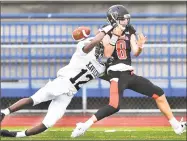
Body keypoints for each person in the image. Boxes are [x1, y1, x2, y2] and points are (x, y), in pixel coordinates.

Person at [71, 5, 187, 138]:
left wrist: (141, 46)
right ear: (114, 19)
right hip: (116, 74)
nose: (126, 21)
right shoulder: (106, 30)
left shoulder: (129, 30)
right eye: (123, 19)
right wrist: (115, 35)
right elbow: (108, 53)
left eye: (126, 19)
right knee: (114, 106)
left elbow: (135, 52)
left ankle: (176, 127)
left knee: (159, 93)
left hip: (128, 73)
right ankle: (83, 126)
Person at [0, 24, 123, 138]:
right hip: (61, 83)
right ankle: (4, 113)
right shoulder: (85, 45)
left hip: (69, 94)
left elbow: (113, 76)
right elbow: (94, 42)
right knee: (34, 100)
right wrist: (107, 29)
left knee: (48, 123)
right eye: (109, 37)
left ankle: (14, 135)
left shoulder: (102, 67)